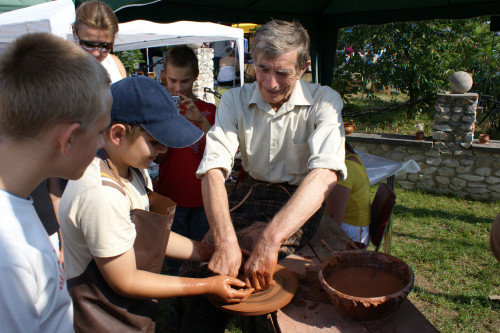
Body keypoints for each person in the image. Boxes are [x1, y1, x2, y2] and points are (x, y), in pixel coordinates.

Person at [182, 19, 347, 331]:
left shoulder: (324, 100)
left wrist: (270, 241)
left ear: (303, 67)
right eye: (262, 69)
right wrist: (224, 237)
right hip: (251, 191)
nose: (270, 83)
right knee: (203, 263)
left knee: (250, 266)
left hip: (299, 198)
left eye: (282, 72)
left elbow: (325, 173)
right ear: (252, 63)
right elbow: (213, 168)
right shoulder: (234, 100)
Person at [59, 76, 253, 332]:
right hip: (102, 317)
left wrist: (212, 251)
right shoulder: (101, 194)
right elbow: (125, 280)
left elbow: (150, 237)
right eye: (155, 142)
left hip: (130, 308)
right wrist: (207, 286)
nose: (162, 150)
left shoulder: (131, 168)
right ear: (117, 133)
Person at [0, 32, 112, 332]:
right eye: (100, 131)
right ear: (69, 139)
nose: (103, 142)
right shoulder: (8, 261)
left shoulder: (17, 202)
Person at [157, 45, 216, 274]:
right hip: (172, 200)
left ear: (196, 77)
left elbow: (222, 152)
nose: (178, 88)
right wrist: (167, 127)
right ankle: (175, 305)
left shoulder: (209, 110)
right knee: (173, 261)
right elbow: (159, 158)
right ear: (164, 75)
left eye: (185, 81)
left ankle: (197, 298)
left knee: (202, 256)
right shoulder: (160, 111)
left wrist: (200, 121)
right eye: (172, 80)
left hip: (204, 200)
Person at [326, 142, 371, 245]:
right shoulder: (351, 158)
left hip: (350, 234)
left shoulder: (345, 169)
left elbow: (332, 221)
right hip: (357, 229)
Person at [73, 0, 126, 83]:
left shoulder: (115, 64)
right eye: (88, 44)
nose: (96, 53)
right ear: (74, 33)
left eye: (105, 46)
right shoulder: (59, 70)